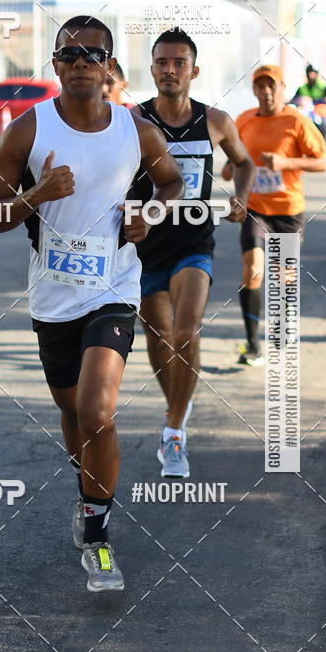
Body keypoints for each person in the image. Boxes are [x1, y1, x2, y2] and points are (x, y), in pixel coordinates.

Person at [0, 15, 184, 591]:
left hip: (115, 288)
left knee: (97, 412)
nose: (80, 64)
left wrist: (152, 212)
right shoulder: (26, 130)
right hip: (53, 299)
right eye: (68, 54)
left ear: (109, 66)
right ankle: (88, 498)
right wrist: (36, 195)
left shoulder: (135, 131)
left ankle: (97, 539)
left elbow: (171, 184)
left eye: (92, 55)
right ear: (54, 65)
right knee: (73, 416)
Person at [128, 27, 254, 478]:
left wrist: (241, 197)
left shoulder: (215, 120)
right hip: (143, 246)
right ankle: (177, 403)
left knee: (187, 332)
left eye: (179, 62)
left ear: (194, 70)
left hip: (194, 241)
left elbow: (244, 162)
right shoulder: (132, 119)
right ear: (152, 68)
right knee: (159, 338)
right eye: (162, 62)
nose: (170, 69)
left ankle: (174, 431)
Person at [222, 64, 326, 366]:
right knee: (252, 268)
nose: (266, 92)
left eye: (272, 86)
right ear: (254, 90)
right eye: (260, 86)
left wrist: (284, 162)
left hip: (288, 209)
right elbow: (232, 162)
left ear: (282, 88)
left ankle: (283, 327)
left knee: (284, 278)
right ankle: (253, 344)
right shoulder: (243, 120)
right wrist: (230, 168)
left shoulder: (296, 121)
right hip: (255, 208)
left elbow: (322, 162)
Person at [293, 64, 326, 141]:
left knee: (324, 127)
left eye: (314, 73)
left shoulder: (324, 87)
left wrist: (311, 101)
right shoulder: (301, 88)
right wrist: (300, 101)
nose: (312, 76)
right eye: (310, 73)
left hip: (321, 114)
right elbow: (294, 100)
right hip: (306, 114)